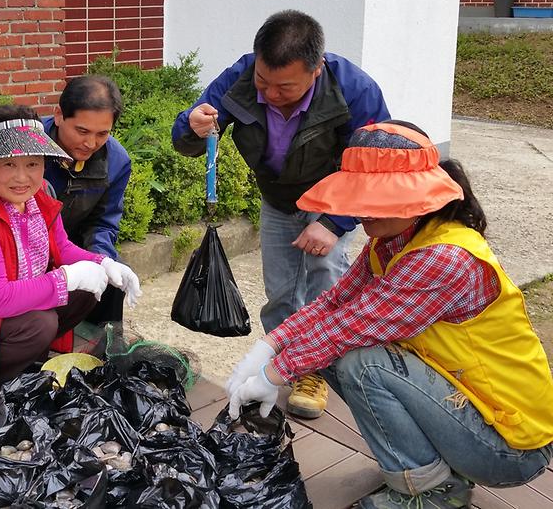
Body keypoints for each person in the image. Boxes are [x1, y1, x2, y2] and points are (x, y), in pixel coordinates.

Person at [226, 121, 553, 509]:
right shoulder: (393, 240)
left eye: (377, 200)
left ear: (419, 197)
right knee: (332, 353)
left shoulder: (442, 257)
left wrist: (273, 375)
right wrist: (267, 347)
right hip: (466, 404)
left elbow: (350, 327)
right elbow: (334, 303)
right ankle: (426, 466)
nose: (363, 213)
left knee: (363, 362)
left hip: (510, 445)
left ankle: (434, 492)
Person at [172, 9, 389, 419]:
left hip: (330, 201)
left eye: (284, 87)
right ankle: (281, 368)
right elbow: (187, 137)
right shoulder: (241, 76)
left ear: (316, 69)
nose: (270, 94)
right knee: (282, 291)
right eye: (263, 82)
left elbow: (374, 168)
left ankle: (316, 374)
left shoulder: (355, 90)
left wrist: (334, 223)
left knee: (326, 285)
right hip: (277, 199)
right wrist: (191, 126)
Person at [0, 104, 142, 404]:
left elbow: (62, 248)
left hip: (5, 307)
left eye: (33, 164)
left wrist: (104, 263)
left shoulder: (41, 193)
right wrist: (67, 277)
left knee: (90, 289)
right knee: (41, 323)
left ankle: (19, 364)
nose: (22, 177)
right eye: (9, 164)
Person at [44, 75, 133, 323]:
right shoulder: (27, 144)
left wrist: (101, 258)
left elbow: (103, 223)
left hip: (72, 246)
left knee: (114, 278)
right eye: (82, 131)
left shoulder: (117, 161)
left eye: (102, 133)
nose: (90, 143)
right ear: (59, 115)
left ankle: (103, 350)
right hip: (19, 247)